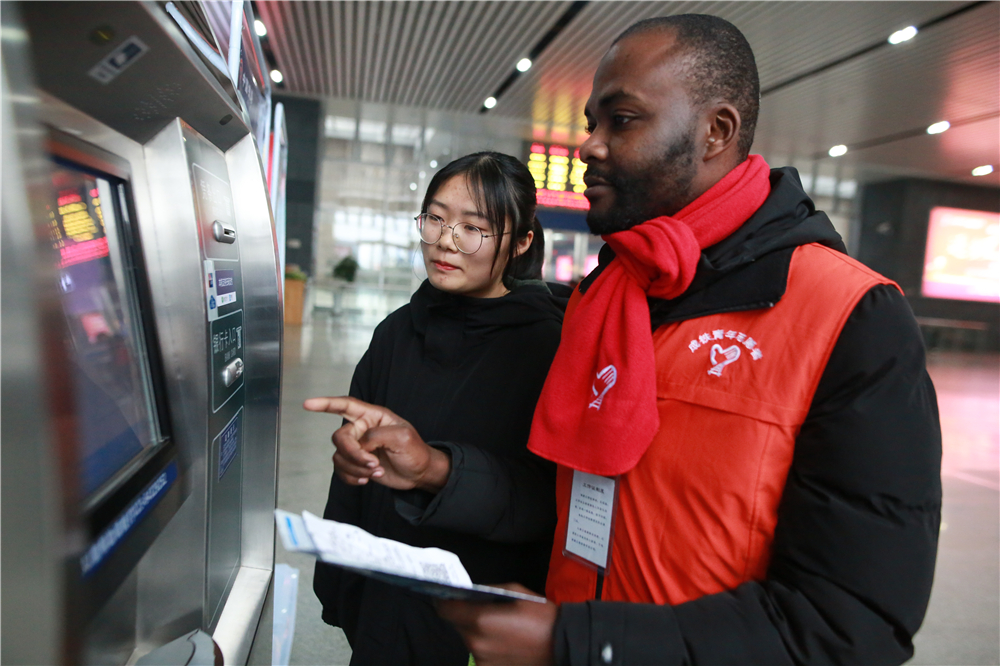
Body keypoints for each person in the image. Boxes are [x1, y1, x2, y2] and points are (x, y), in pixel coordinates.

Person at [436, 15, 942, 666]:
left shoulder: (849, 316)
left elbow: (851, 624)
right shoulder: (607, 295)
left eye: (621, 120)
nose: (590, 146)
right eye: (592, 122)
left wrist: (584, 644)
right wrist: (437, 472)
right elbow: (569, 500)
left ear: (717, 131)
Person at [304, 152, 565, 666]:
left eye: (474, 227)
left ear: (521, 242)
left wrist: (435, 471)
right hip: (380, 608)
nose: (446, 239)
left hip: (474, 623)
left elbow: (545, 499)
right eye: (436, 218)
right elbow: (352, 481)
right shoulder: (396, 333)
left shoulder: (548, 348)